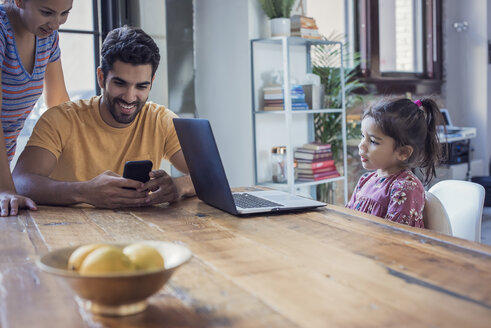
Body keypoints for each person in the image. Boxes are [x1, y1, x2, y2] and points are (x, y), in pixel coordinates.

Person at [12, 25, 194, 208]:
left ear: (151, 83)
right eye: (119, 83)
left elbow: (211, 178)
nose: (130, 97)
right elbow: (20, 182)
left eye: (141, 87)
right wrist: (84, 192)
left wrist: (179, 186)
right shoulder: (61, 119)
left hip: (143, 231)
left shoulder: (160, 120)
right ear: (101, 77)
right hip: (71, 231)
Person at [0, 0, 72, 216]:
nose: (56, 23)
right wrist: (4, 188)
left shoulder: (46, 36)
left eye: (64, 13)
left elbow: (59, 104)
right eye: (47, 12)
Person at [346, 98, 444, 228]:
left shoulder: (405, 187)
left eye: (373, 141)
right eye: (363, 136)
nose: (361, 146)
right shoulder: (365, 180)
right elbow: (347, 218)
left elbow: (395, 238)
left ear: (403, 152)